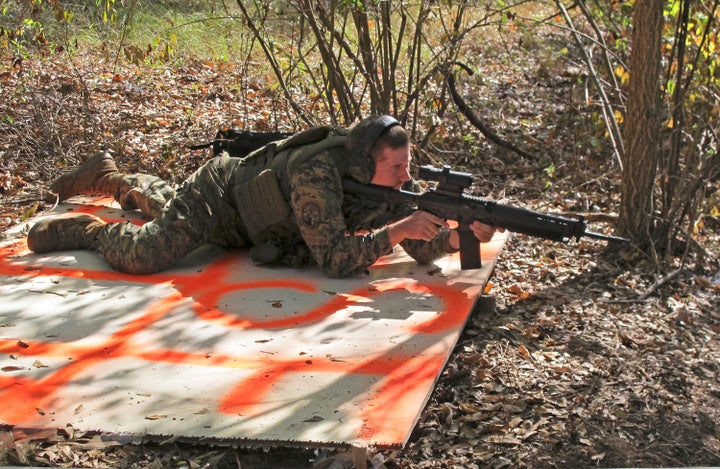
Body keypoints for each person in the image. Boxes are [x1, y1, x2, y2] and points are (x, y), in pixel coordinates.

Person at [27, 115, 498, 278]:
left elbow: (413, 243)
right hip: (221, 197)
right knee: (146, 253)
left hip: (255, 219)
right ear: (364, 164)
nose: (406, 176)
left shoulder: (384, 181)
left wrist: (454, 240)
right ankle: (89, 231)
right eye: (396, 168)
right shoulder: (319, 175)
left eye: (407, 164)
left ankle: (111, 178)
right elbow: (335, 259)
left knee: (167, 204)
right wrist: (396, 230)